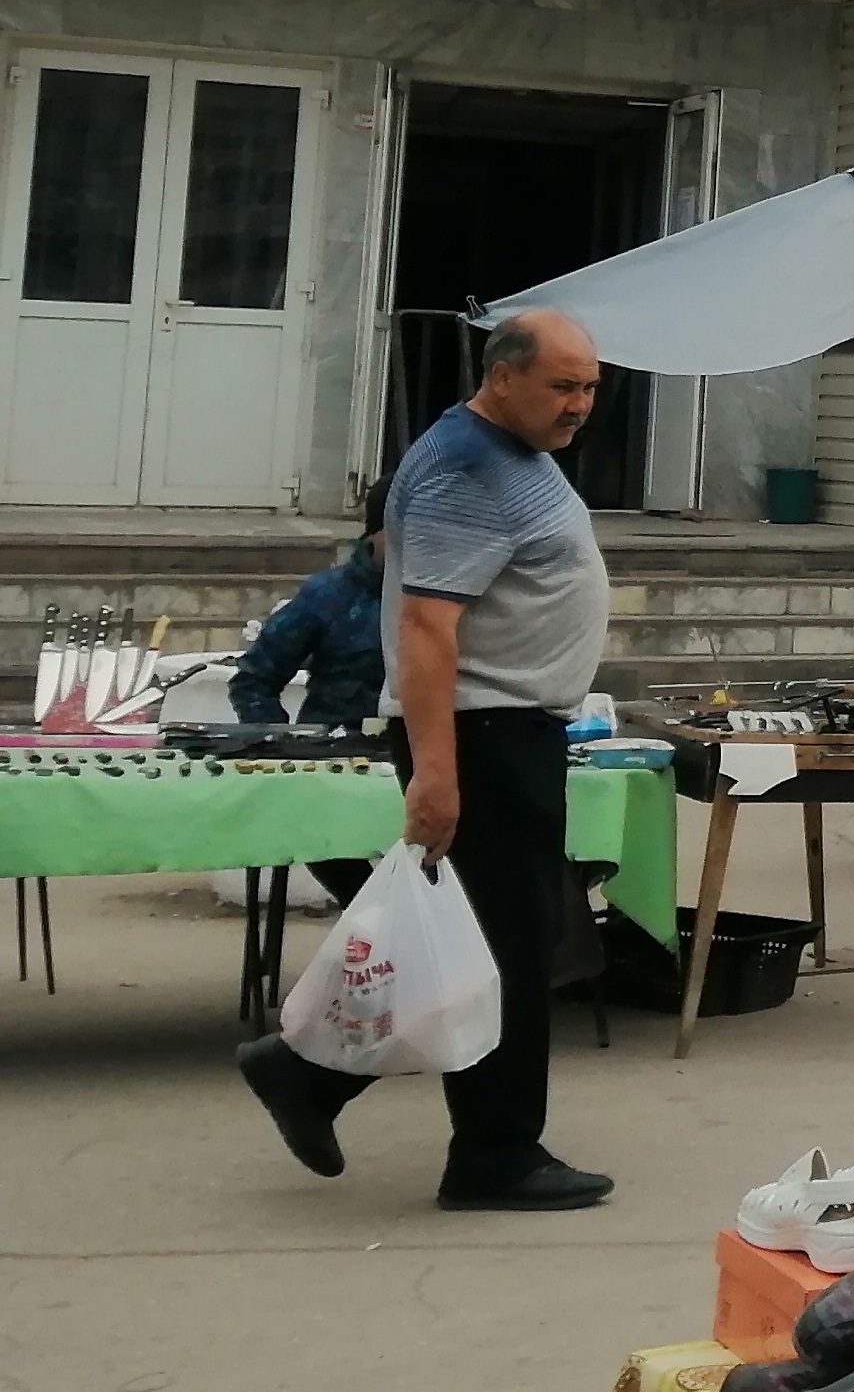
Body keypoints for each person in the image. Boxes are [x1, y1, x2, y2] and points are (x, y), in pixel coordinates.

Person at [234, 312, 619, 1211]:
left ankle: (310, 1076)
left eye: (591, 387)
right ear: (503, 376)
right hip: (482, 734)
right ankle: (493, 1153)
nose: (580, 405)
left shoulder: (510, 450)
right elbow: (425, 627)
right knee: (512, 951)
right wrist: (437, 775)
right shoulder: (463, 468)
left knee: (492, 944)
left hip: (510, 731)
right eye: (563, 386)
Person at [230, 486, 388, 728]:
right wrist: (281, 744)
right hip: (339, 752)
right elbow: (254, 681)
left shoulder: (456, 599)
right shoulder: (329, 595)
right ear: (376, 533)